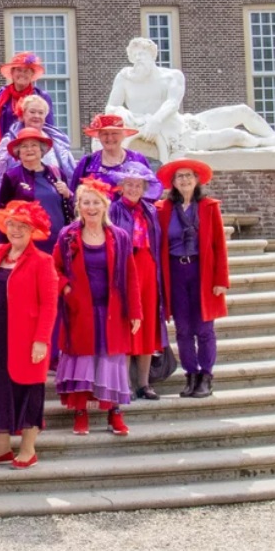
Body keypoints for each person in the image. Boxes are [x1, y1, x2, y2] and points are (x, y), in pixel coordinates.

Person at [106, 37, 275, 163]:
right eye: (135, 55)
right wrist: (128, 116)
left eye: (143, 54)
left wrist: (156, 120)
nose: (139, 58)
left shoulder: (172, 76)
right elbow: (111, 107)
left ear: (153, 57)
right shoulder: (124, 77)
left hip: (185, 125)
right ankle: (266, 142)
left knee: (242, 110)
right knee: (237, 136)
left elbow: (172, 103)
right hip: (180, 139)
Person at [54, 179, 142, 436]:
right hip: (79, 310)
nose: (91, 208)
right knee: (82, 362)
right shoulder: (67, 235)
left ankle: (114, 412)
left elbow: (130, 276)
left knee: (110, 362)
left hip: (112, 310)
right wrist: (66, 289)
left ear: (105, 206)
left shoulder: (120, 236)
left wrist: (135, 312)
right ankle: (81, 412)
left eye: (96, 203)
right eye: (86, 202)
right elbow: (54, 268)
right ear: (78, 206)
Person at [0, 201, 58, 469]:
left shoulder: (43, 261)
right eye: (12, 224)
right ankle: (2, 449)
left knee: (29, 390)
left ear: (32, 230)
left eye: (23, 225)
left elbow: (49, 304)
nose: (16, 230)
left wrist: (41, 340)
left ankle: (28, 450)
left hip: (27, 338)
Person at [156, 159, 229, 398]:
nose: (185, 180)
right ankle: (191, 374)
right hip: (175, 271)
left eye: (189, 175)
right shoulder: (163, 209)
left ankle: (206, 375)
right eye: (180, 176)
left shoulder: (209, 206)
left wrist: (220, 280)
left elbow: (219, 245)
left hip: (201, 271)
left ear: (197, 180)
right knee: (183, 329)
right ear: (173, 183)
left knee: (204, 327)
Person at [110, 161, 168, 400]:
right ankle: (124, 384)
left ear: (144, 188)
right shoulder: (112, 210)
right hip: (125, 269)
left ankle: (144, 384)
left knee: (148, 325)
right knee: (125, 324)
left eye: (138, 185)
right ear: (121, 186)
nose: (133, 189)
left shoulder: (150, 210)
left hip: (148, 269)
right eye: (130, 184)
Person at [0, 128, 73, 254]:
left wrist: (68, 194)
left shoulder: (57, 173)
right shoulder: (11, 176)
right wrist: (7, 247)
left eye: (34, 145)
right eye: (24, 146)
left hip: (57, 241)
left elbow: (71, 208)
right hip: (27, 243)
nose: (29, 149)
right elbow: (3, 212)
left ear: (42, 150)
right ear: (18, 152)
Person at [0, 94, 77, 181]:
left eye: (41, 113)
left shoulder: (57, 140)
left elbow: (70, 172)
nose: (37, 116)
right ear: (23, 114)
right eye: (32, 112)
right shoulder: (8, 141)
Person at [71, 114, 149, 195]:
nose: (110, 138)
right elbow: (74, 195)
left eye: (114, 133)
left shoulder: (138, 159)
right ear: (99, 136)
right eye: (105, 134)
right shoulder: (87, 162)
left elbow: (151, 194)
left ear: (123, 135)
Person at [0, 52, 55, 137]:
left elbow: (49, 127)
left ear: (32, 74)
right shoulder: (0, 95)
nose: (22, 74)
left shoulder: (42, 96)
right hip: (5, 142)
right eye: (19, 70)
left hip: (32, 143)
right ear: (12, 73)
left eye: (26, 71)